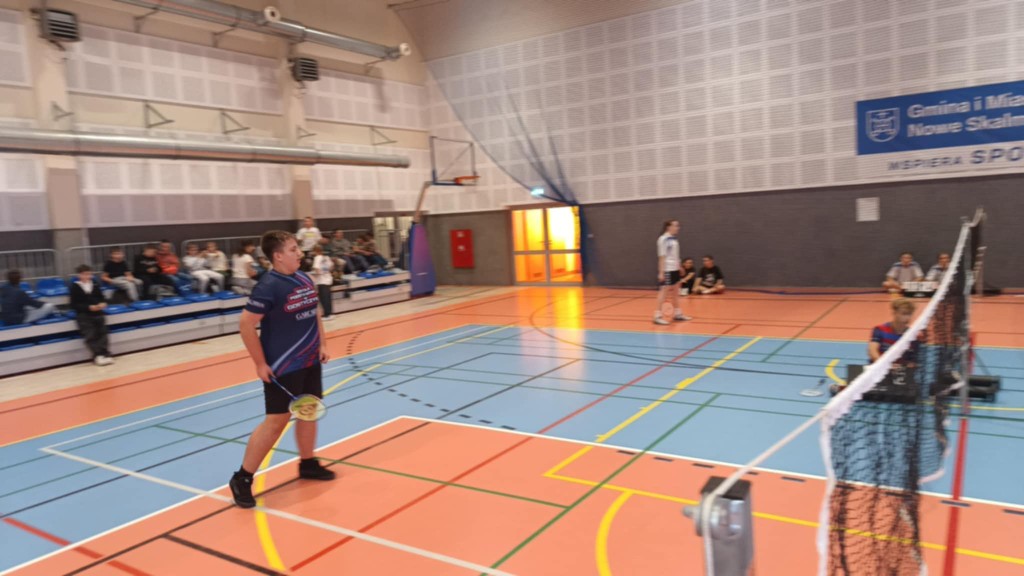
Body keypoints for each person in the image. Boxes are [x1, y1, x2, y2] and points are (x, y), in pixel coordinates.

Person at [229, 230, 334, 508]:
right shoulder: (268, 286)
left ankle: (308, 463)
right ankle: (242, 478)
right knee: (276, 422)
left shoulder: (304, 278)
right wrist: (260, 363)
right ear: (277, 256)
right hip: (283, 365)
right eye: (292, 249)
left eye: (297, 248)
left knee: (308, 411)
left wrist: (322, 343)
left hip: (310, 359)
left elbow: (315, 312)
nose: (299, 253)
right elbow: (246, 325)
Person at [69, 264, 113, 366]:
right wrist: (88, 307)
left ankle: (105, 353)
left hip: (98, 313)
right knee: (90, 335)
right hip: (84, 315)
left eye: (89, 274)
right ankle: (97, 355)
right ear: (79, 275)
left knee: (103, 333)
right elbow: (74, 305)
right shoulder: (75, 287)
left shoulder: (95, 284)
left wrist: (103, 303)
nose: (87, 276)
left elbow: (101, 297)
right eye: (84, 274)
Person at [653, 219, 691, 325]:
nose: (678, 228)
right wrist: (661, 272)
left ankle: (677, 314)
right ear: (669, 227)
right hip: (667, 269)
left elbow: (675, 256)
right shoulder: (663, 239)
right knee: (663, 292)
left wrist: (680, 267)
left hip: (675, 269)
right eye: (676, 226)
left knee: (676, 292)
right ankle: (657, 316)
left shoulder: (674, 240)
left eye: (678, 226)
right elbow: (662, 257)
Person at [869, 298, 920, 366]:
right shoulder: (880, 330)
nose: (907, 317)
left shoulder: (912, 336)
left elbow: (911, 361)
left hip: (899, 369)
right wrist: (885, 365)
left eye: (910, 314)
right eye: (904, 314)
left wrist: (908, 365)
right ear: (894, 313)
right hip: (879, 368)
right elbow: (872, 351)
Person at [310, 244, 335, 319]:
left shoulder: (317, 258)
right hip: (328, 279)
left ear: (315, 251)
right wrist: (325, 271)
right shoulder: (326, 257)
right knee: (328, 298)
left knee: (324, 299)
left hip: (321, 280)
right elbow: (332, 267)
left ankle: (327, 315)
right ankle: (330, 313)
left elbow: (316, 269)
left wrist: (315, 273)